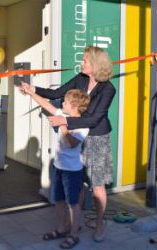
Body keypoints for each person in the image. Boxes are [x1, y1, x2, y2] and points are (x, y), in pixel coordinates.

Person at [19, 46, 115, 243]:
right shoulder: (80, 78)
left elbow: (94, 119)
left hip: (96, 138)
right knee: (76, 184)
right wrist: (33, 90)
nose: (82, 63)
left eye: (85, 60)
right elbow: (56, 94)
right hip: (74, 130)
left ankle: (99, 223)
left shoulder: (108, 89)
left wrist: (64, 122)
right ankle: (73, 225)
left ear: (96, 64)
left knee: (97, 186)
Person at [22, 86, 90, 249]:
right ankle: (60, 229)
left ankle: (73, 235)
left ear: (74, 107)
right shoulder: (63, 115)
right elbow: (47, 105)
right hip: (58, 167)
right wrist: (32, 92)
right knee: (59, 201)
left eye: (65, 102)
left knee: (73, 204)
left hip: (72, 172)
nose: (62, 104)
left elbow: (72, 143)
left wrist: (62, 124)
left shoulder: (82, 125)